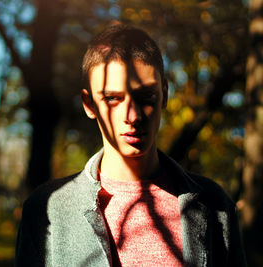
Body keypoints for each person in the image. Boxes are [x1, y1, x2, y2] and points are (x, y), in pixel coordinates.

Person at [15, 24, 246, 267]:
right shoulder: (47, 210)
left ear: (164, 94)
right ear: (89, 104)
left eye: (146, 96)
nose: (132, 115)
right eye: (113, 98)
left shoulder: (215, 205)